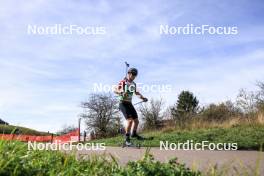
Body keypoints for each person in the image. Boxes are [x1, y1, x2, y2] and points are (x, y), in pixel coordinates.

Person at [114, 67, 148, 145]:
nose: (133, 76)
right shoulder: (123, 82)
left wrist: (143, 98)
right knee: (129, 121)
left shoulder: (133, 84)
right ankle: (127, 139)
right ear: (128, 74)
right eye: (132, 74)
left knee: (136, 121)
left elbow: (137, 93)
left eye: (135, 75)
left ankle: (134, 134)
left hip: (129, 103)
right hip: (123, 103)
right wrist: (121, 91)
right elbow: (115, 90)